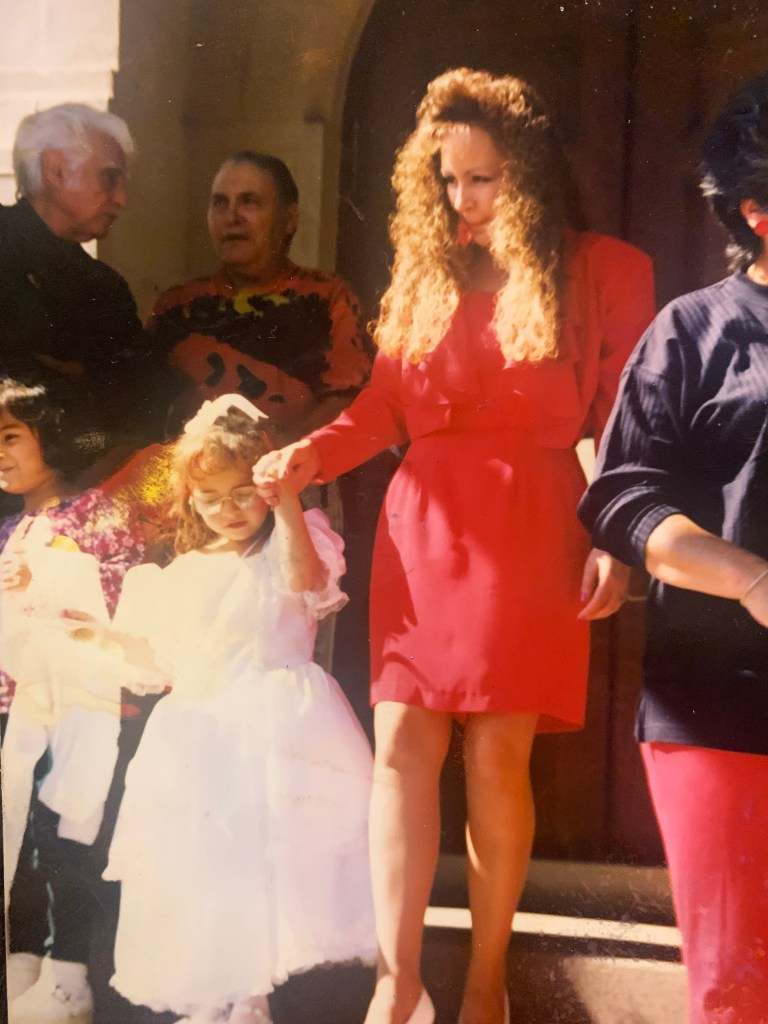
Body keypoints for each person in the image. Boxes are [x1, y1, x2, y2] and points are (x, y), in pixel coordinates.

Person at [254, 67, 655, 1024]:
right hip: (423, 523)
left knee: (496, 756)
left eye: (485, 178)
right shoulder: (427, 275)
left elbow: (624, 418)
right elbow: (385, 407)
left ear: (531, 174)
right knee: (400, 741)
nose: (464, 199)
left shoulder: (605, 268)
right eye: (448, 180)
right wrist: (311, 454)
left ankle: (485, 984)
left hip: (532, 520)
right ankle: (397, 985)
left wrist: (617, 534)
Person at [578, 74, 768, 1024]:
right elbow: (624, 498)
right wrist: (751, 577)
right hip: (718, 700)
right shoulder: (692, 332)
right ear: (756, 209)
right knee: (736, 989)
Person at [103, 394, 376, 1024]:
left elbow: (303, 583)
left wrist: (286, 504)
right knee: (207, 861)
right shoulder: (181, 570)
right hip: (202, 732)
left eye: (243, 493)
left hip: (279, 721)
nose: (228, 509)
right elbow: (160, 663)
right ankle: (216, 996)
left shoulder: (296, 540)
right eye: (210, 497)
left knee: (269, 858)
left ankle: (252, 1000)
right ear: (190, 500)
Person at [0, 379, 146, 1024]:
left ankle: (70, 972)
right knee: (19, 839)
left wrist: (46, 583)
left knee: (65, 837)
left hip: (78, 707)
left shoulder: (95, 516)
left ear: (51, 437)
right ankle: (23, 959)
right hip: (14, 707)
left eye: (10, 437)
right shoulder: (9, 527)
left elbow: (117, 606)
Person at [147, 150, 373, 442]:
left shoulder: (328, 299)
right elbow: (141, 413)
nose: (231, 217)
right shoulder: (176, 307)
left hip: (291, 465)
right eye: (220, 203)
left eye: (249, 202)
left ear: (289, 219)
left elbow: (349, 403)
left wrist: (274, 455)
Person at [0, 102, 159, 513]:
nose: (121, 199)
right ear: (55, 171)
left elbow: (137, 412)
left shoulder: (104, 287)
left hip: (74, 509)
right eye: (109, 178)